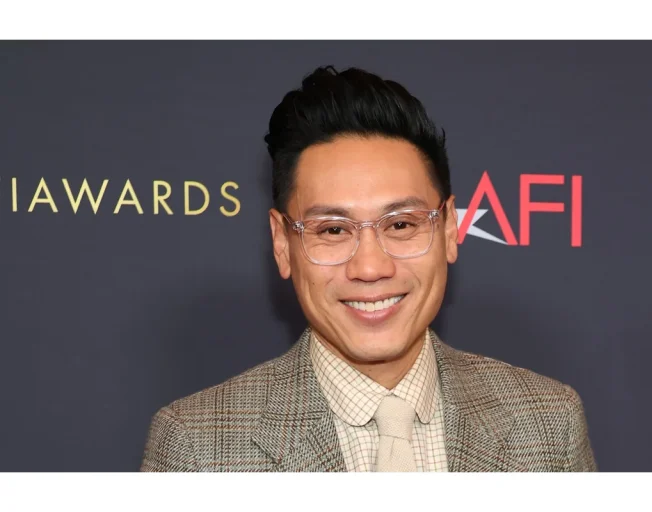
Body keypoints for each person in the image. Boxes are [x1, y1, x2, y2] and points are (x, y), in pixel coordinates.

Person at [139, 65, 598, 472]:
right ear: (282, 243)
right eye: (333, 230)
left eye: (401, 224)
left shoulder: (548, 425)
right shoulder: (198, 449)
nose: (370, 267)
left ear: (448, 230)